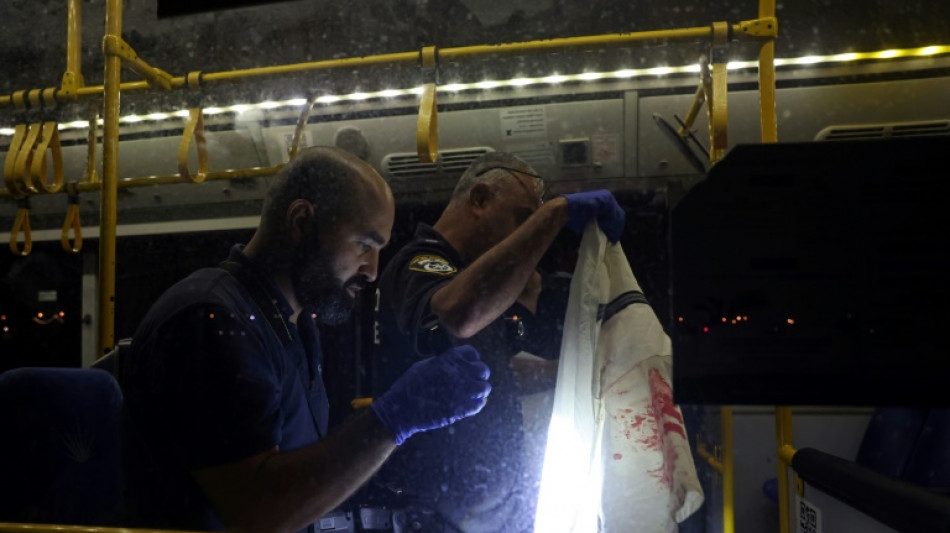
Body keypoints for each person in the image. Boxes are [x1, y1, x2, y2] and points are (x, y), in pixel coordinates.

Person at [116, 147, 492, 533]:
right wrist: (393, 419)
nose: (373, 270)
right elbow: (257, 511)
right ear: (301, 221)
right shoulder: (211, 321)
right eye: (364, 245)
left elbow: (297, 470)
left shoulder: (293, 323)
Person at [373, 152, 625, 532]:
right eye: (523, 219)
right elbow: (457, 316)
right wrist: (553, 215)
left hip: (488, 514)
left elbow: (496, 372)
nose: (529, 237)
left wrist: (576, 374)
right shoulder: (422, 262)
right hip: (435, 518)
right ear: (479, 200)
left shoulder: (470, 283)